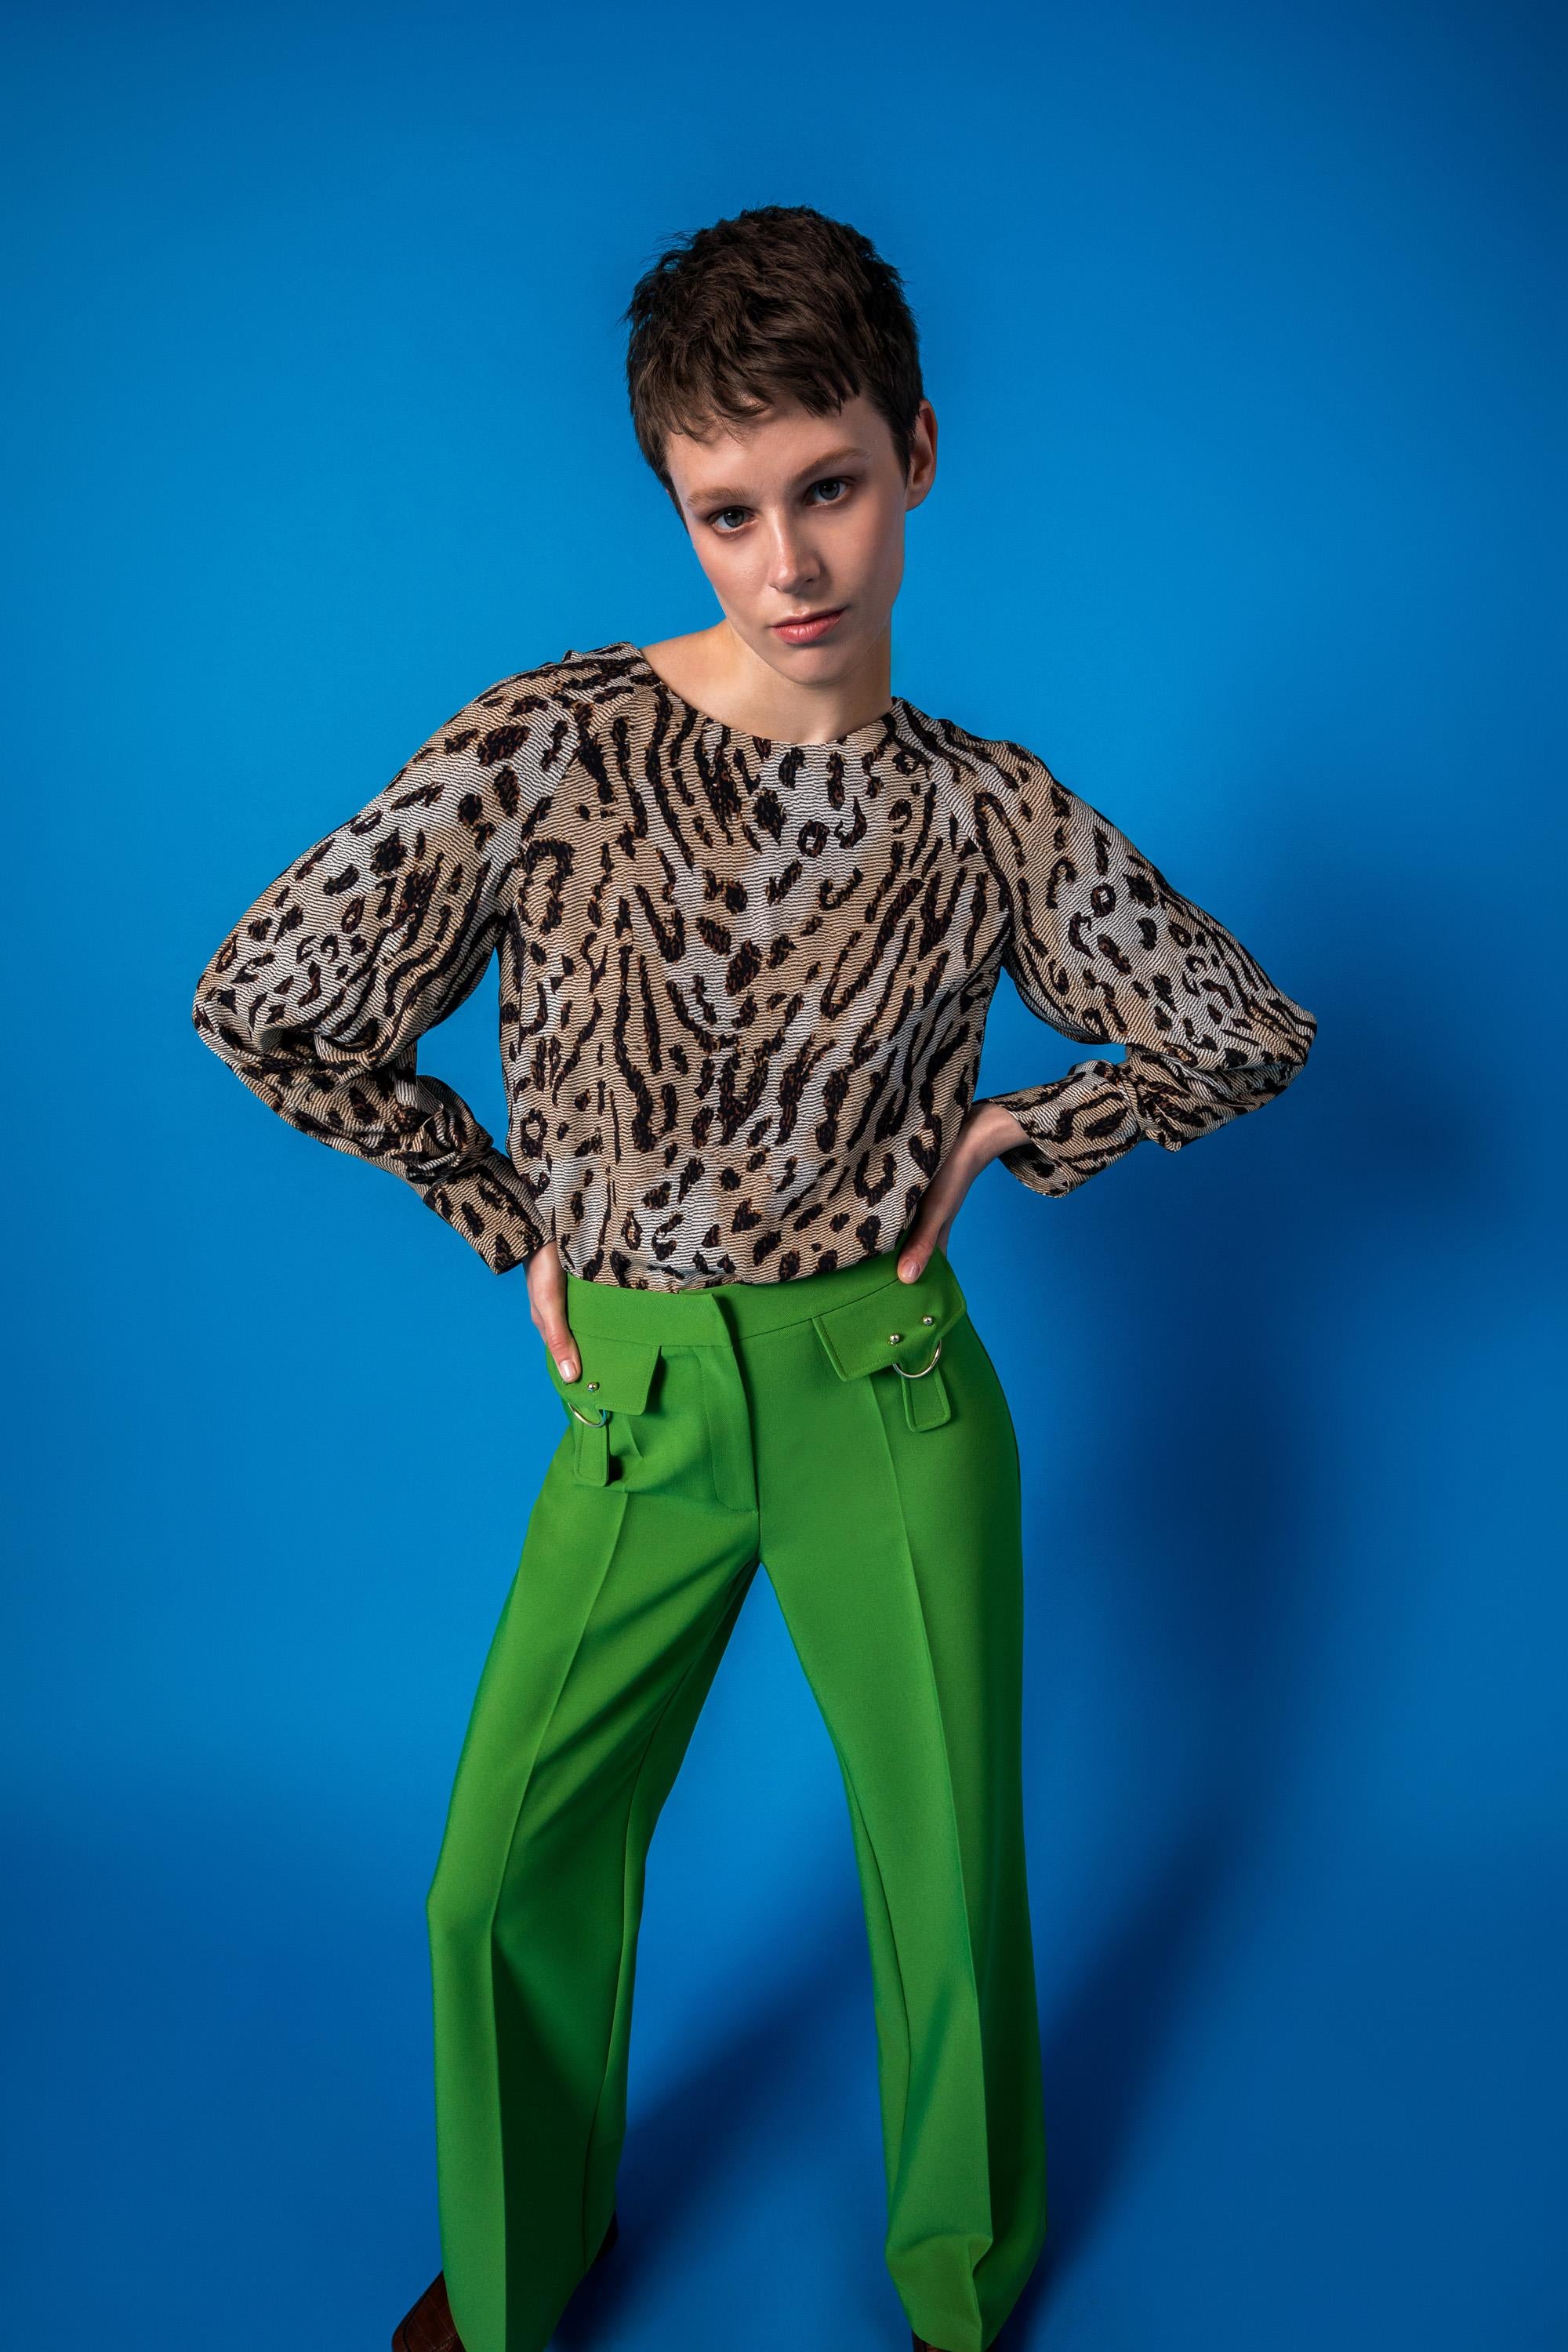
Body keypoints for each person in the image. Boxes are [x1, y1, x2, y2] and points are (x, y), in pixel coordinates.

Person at [191, 203, 1317, 2352]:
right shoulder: (550, 747)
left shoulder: (983, 813)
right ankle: (517, 2279)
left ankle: (960, 2288)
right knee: (502, 1872)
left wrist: (1026, 1128)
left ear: (916, 454)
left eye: (831, 489)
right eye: (729, 512)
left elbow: (1240, 1030)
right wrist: (506, 1212)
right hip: (643, 1407)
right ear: (678, 508)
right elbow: (273, 1002)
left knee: (948, 1878)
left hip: (889, 1391)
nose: (790, 564)